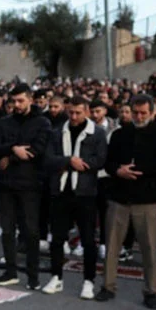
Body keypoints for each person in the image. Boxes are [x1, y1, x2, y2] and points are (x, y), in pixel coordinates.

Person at [96, 94, 156, 308]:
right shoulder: (120, 134)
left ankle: (151, 291)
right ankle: (107, 286)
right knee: (112, 246)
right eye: (135, 112)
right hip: (118, 197)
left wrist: (139, 171)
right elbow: (108, 162)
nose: (139, 117)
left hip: (147, 200)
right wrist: (118, 171)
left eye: (143, 113)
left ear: (153, 113)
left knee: (149, 248)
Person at [43, 96, 107, 298]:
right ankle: (56, 277)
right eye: (71, 112)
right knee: (58, 238)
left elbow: (101, 160)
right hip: (61, 192)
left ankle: (88, 280)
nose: (74, 116)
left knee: (88, 239)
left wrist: (82, 163)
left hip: (85, 193)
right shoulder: (57, 132)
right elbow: (48, 159)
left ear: (87, 111)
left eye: (79, 112)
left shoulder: (97, 133)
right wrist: (69, 161)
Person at [0, 84, 50, 290]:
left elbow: (37, 150)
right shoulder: (4, 122)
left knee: (31, 232)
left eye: (21, 101)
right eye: (14, 101)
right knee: (7, 230)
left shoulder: (42, 122)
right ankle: (11, 271)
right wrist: (12, 149)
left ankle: (33, 276)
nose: (17, 105)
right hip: (6, 185)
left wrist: (10, 157)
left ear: (30, 99)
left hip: (30, 184)